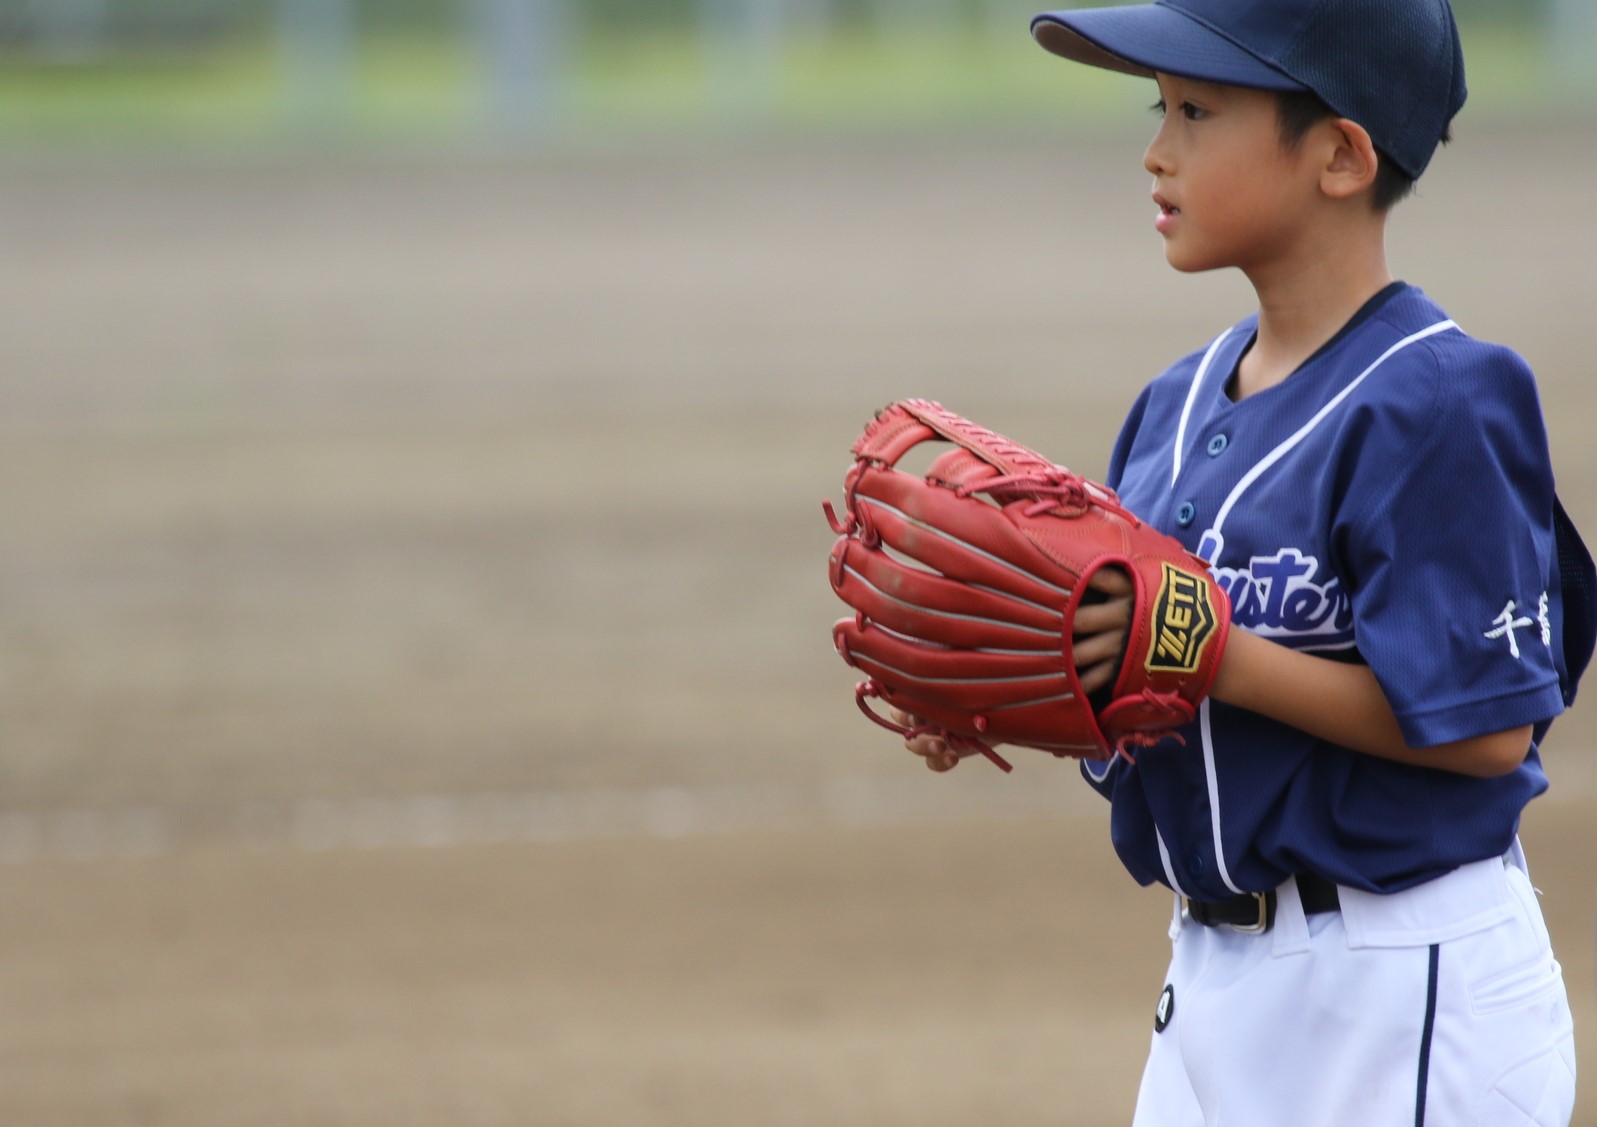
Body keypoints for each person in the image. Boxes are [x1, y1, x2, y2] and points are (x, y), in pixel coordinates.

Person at [898, 1, 1597, 1123]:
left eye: (1197, 109)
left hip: (1401, 981)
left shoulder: (1437, 396)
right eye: (1157, 106)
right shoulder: (1171, 406)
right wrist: (1023, 691)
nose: (1155, 148)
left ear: (1338, 154)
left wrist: (1214, 651)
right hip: (1210, 983)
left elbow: (1487, 728)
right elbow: (1156, 677)